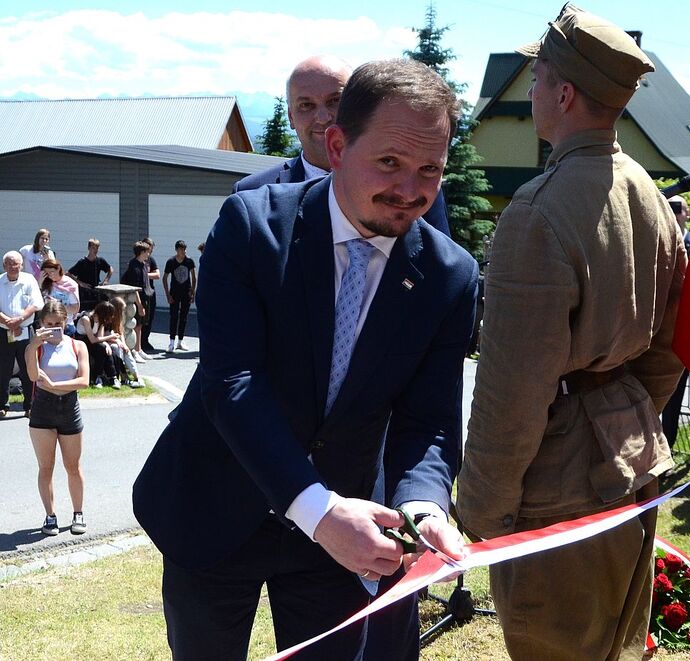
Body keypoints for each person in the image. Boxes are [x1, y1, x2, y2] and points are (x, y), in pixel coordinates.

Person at [133, 58, 478, 660]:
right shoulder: (254, 224)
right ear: (338, 145)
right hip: (217, 504)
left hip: (341, 530)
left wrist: (423, 505)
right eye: (390, 162)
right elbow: (230, 382)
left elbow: (429, 420)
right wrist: (316, 511)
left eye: (431, 169)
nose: (409, 189)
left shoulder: (450, 275)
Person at [457, 6, 686, 660]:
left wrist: (483, 508)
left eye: (537, 79)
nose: (528, 93)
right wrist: (625, 411)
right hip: (632, 458)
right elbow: (670, 344)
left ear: (563, 95)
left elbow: (512, 389)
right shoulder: (645, 191)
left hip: (558, 483)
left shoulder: (536, 210)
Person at [233, 55, 452, 238]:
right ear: (291, 117)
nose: (323, 117)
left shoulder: (415, 189)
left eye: (335, 101)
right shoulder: (252, 195)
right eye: (306, 105)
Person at [25, 300, 90, 536]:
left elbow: (84, 381)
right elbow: (33, 375)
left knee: (73, 466)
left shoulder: (77, 346)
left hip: (69, 408)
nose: (53, 328)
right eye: (48, 323)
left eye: (58, 324)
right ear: (41, 323)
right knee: (46, 467)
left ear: (66, 322)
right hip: (42, 409)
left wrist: (54, 384)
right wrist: (33, 346)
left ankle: (78, 513)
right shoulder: (36, 347)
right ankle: (50, 516)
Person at [659, 194, 690, 447]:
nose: (673, 211)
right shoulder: (658, 239)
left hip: (687, 332)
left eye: (677, 207)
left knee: (677, 394)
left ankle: (668, 446)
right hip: (659, 333)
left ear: (687, 213)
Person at [1, 251, 44, 418]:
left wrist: (19, 320)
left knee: (28, 369)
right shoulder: (0, 281)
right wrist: (8, 323)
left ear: (22, 265)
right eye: (9, 263)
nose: (13, 267)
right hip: (3, 331)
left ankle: (30, 405)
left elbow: (37, 304)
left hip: (25, 330)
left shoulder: (29, 280)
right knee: (2, 370)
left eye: (16, 263)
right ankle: (2, 405)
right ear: (4, 265)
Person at [120, 241, 152, 363]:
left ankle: (139, 349)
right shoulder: (134, 267)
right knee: (136, 326)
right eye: (147, 251)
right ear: (141, 252)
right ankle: (134, 351)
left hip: (145, 298)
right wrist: (139, 306)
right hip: (135, 301)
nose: (148, 254)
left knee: (141, 325)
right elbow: (134, 289)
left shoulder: (143, 265)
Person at [162, 240, 197, 352]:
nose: (184, 251)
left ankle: (180, 342)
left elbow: (194, 277)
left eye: (185, 249)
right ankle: (171, 342)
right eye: (181, 249)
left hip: (186, 293)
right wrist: (168, 295)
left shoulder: (189, 261)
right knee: (173, 317)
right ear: (177, 250)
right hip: (175, 293)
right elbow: (164, 278)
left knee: (184, 318)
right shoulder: (171, 262)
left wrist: (192, 292)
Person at [68, 238, 114, 311]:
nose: (95, 250)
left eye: (97, 248)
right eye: (93, 248)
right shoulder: (82, 262)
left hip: (95, 291)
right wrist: (81, 283)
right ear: (89, 248)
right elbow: (68, 274)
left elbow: (110, 269)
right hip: (84, 292)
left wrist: (106, 280)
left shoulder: (100, 260)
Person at [40, 258, 81, 336]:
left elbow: (75, 308)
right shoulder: (46, 283)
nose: (50, 275)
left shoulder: (70, 284)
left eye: (52, 272)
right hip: (48, 325)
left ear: (58, 268)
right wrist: (40, 284)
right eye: (47, 273)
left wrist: (56, 305)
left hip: (65, 325)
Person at [140, 237, 160, 354]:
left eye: (151, 247)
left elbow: (157, 274)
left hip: (150, 291)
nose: (150, 249)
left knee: (150, 317)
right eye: (148, 246)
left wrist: (145, 274)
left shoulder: (151, 260)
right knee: (141, 318)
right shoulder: (138, 260)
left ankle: (145, 340)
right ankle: (140, 341)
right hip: (141, 293)